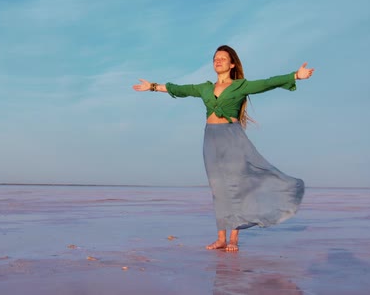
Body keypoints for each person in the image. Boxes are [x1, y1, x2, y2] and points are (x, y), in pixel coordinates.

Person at [132, 45, 314, 252]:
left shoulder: (240, 86)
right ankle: (220, 238)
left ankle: (233, 239)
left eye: (223, 58)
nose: (218, 61)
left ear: (232, 63)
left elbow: (267, 83)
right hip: (210, 138)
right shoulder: (205, 88)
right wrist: (153, 87)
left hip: (232, 137)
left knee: (235, 186)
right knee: (218, 190)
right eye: (215, 58)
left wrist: (295, 76)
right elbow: (179, 90)